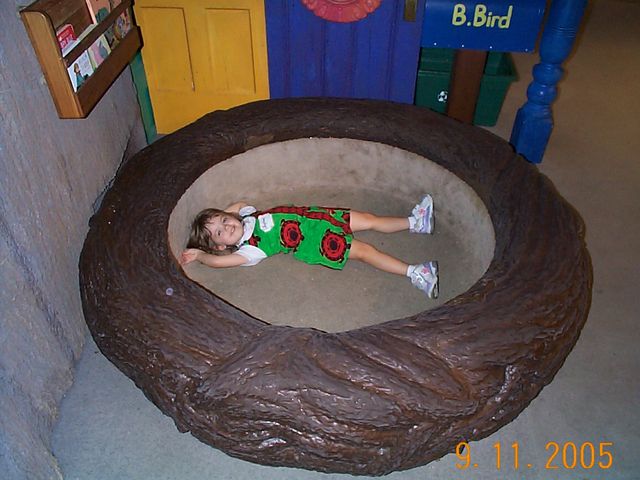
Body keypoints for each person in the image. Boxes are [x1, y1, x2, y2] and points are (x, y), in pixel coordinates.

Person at [180, 196, 439, 298]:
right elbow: (218, 262)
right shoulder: (249, 250)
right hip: (317, 242)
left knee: (369, 218)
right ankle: (416, 273)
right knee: (366, 252)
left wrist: (224, 218)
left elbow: (238, 204)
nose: (226, 227)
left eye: (224, 221)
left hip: (319, 217)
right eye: (219, 233)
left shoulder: (246, 216)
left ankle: (415, 222)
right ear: (220, 246)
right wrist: (202, 254)